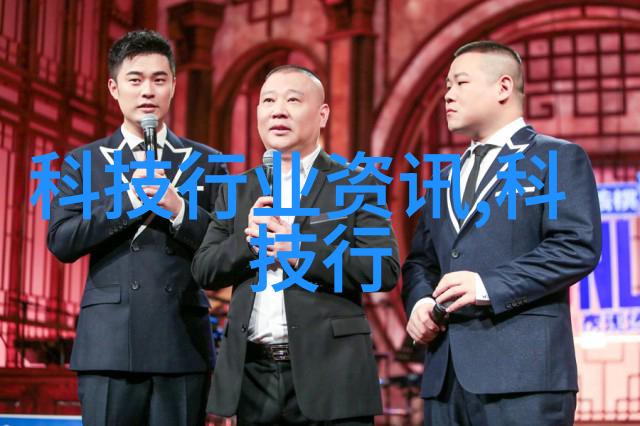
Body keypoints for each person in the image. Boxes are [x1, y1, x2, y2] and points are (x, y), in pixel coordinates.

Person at [402, 40, 602, 426]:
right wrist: (420, 302)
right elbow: (420, 262)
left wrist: (486, 286)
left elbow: (576, 246)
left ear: (503, 87)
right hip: (445, 379)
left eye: (460, 83)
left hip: (524, 378)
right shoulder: (443, 179)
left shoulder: (556, 157)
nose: (448, 95)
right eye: (446, 86)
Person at [192, 65, 400, 425]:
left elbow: (383, 268)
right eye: (268, 101)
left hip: (332, 376)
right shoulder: (237, 189)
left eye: (292, 100)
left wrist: (300, 250)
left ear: (322, 114)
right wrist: (249, 244)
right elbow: (204, 269)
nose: (278, 111)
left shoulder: (356, 184)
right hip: (253, 378)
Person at [47, 30, 226, 426]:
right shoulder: (84, 161)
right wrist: (128, 202)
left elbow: (224, 249)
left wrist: (179, 209)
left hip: (181, 340)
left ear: (173, 86)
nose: (148, 90)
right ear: (114, 88)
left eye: (159, 79)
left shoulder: (207, 162)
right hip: (109, 343)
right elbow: (61, 241)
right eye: (135, 79)